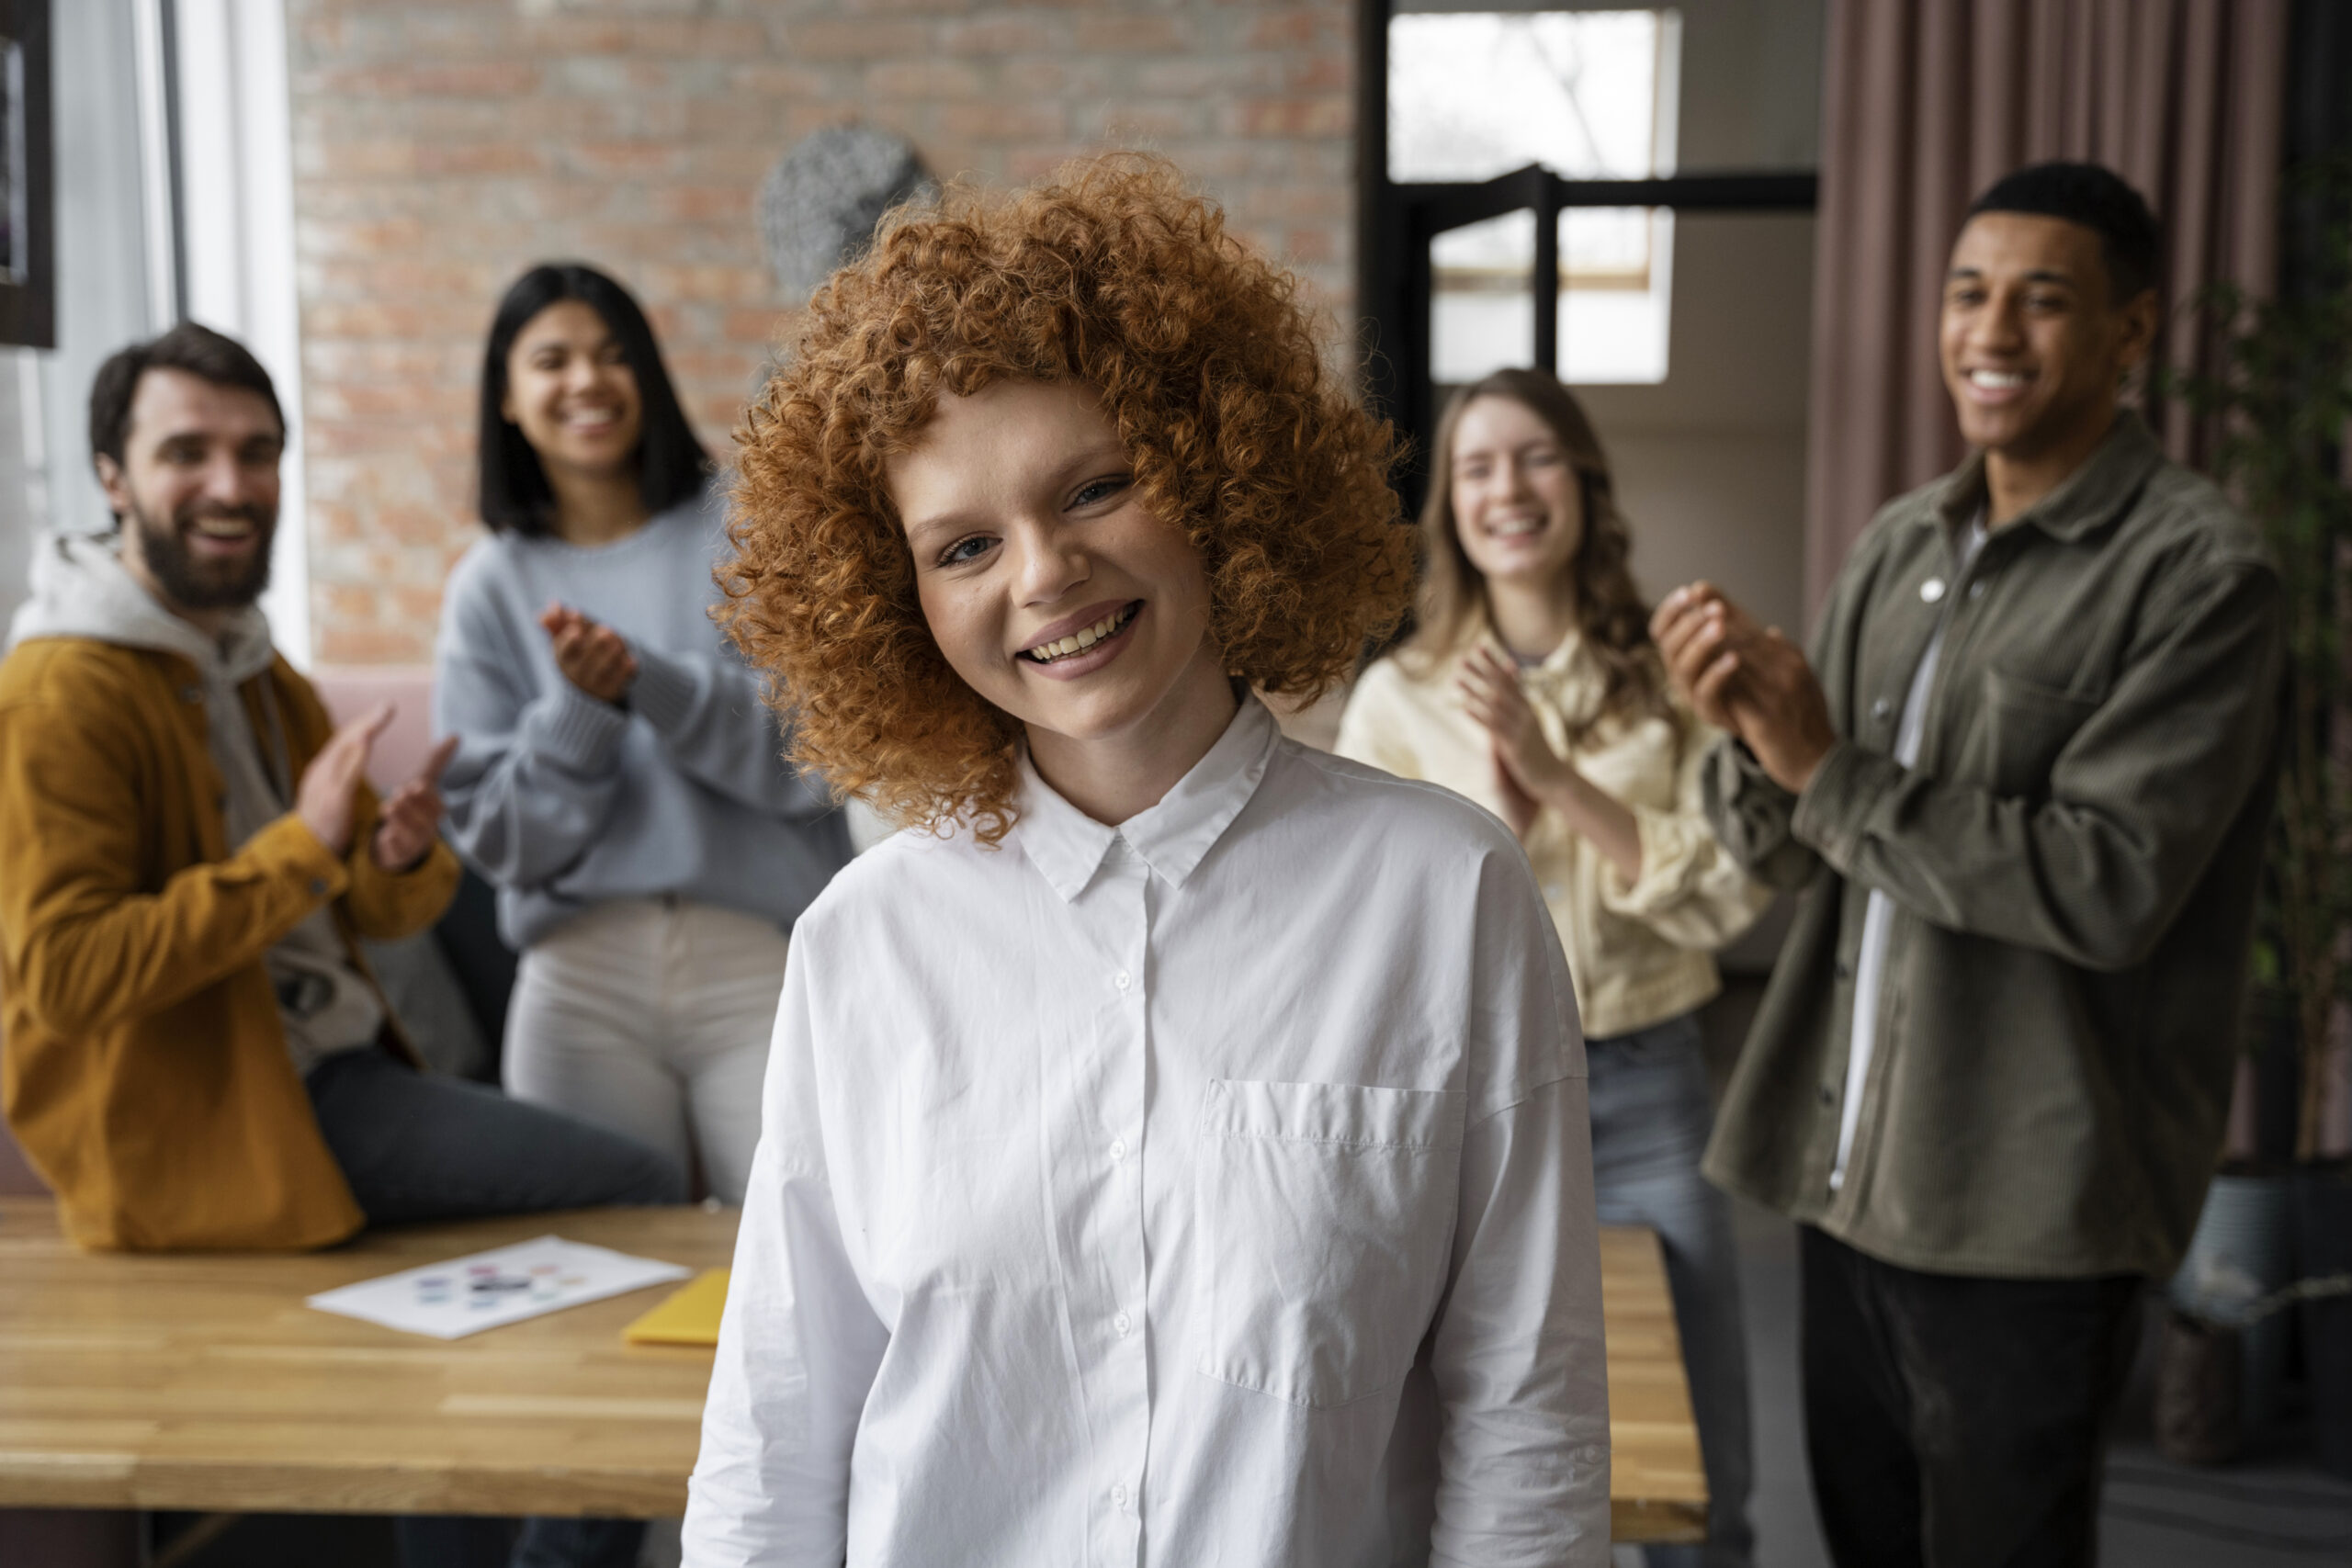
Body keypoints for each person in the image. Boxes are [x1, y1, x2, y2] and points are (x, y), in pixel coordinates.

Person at [682, 156, 1612, 1565]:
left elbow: (1524, 1419)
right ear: (897, 599)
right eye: (964, 544)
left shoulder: (1445, 894)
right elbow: (778, 1430)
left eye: (1100, 484)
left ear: (1222, 482)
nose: (1042, 573)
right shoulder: (862, 943)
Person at [1653, 162, 2284, 1567]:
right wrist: (1750, 731)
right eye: (1967, 291)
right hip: (1846, 1176)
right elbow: (1792, 846)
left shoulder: (2199, 573)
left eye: (2042, 298)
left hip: (2023, 1214)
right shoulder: (1901, 541)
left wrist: (1825, 765)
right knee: (1866, 1541)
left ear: (2132, 332)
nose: (1990, 330)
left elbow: (2110, 880)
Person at [0, 321, 684, 1568]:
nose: (231, 483)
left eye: (257, 452)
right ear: (112, 475)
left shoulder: (257, 668)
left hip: (332, 1078)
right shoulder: (62, 691)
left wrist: (392, 858)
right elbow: (66, 973)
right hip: (235, 1115)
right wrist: (307, 848)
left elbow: (373, 914)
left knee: (511, 1277)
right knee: (641, 1190)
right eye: (187, 451)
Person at [1336, 367, 1768, 1568]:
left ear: (1581, 479)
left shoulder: (1676, 677)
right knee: (1469, 1451)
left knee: (1699, 1479)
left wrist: (1557, 776)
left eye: (1532, 457)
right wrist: (1506, 818)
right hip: (1462, 1113)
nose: (1506, 488)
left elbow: (1725, 896)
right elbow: (1384, 936)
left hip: (1644, 1097)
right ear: (1450, 508)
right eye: (1477, 466)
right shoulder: (1396, 699)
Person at [435, 264, 850, 1206]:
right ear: (506, 396)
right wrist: (583, 714)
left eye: (613, 355)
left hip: (761, 956)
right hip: (579, 978)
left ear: (648, 377)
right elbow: (500, 840)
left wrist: (649, 686)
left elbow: (817, 755)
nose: (586, 380)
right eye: (552, 360)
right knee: (590, 1263)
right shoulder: (487, 589)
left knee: (806, 1243)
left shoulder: (744, 533)